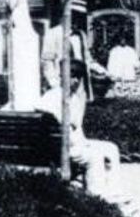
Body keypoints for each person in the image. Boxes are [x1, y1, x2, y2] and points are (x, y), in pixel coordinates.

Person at [36, 60, 121, 195]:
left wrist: (84, 143)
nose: (75, 81)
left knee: (111, 148)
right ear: (62, 76)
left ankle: (113, 191)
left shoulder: (73, 98)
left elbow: (75, 129)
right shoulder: (52, 97)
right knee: (94, 156)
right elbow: (57, 128)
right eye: (72, 76)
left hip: (69, 144)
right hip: (58, 149)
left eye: (79, 77)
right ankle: (96, 197)